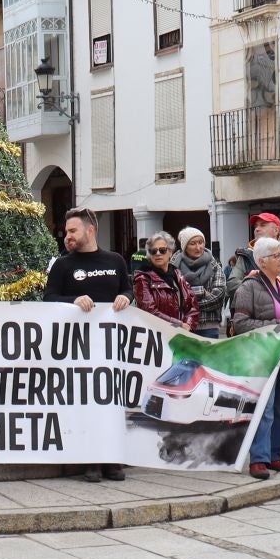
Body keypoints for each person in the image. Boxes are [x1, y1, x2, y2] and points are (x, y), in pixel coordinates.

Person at [43, 207, 132, 483]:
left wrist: (126, 298)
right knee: (87, 403)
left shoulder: (115, 260)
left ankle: (112, 459)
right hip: (77, 349)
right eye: (66, 232)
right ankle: (90, 461)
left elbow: (126, 289)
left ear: (90, 231)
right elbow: (48, 298)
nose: (67, 236)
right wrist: (73, 301)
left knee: (112, 404)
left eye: (73, 231)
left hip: (110, 348)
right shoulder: (63, 265)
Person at [230, 235, 280, 481]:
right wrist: (276, 323)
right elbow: (240, 323)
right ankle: (258, 458)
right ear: (261, 261)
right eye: (277, 255)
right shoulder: (248, 286)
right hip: (262, 354)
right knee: (265, 407)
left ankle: (273, 453)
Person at [133, 231, 199, 332]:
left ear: (170, 252)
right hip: (156, 338)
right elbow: (149, 311)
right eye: (153, 251)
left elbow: (192, 304)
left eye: (162, 250)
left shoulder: (177, 274)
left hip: (181, 335)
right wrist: (179, 325)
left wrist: (188, 325)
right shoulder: (143, 277)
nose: (158, 253)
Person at [174, 227, 226, 338]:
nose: (198, 247)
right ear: (185, 246)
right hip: (183, 326)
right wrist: (202, 292)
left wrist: (189, 304)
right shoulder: (174, 265)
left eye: (201, 242)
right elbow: (174, 296)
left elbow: (218, 297)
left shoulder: (214, 265)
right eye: (192, 243)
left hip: (208, 327)